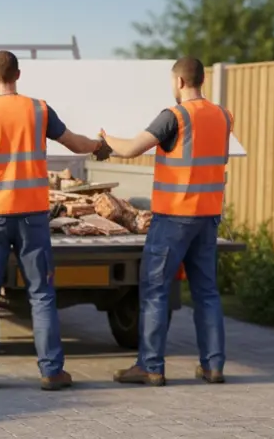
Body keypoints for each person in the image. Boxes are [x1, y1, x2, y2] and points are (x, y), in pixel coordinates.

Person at [0, 50, 108, 391]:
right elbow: (74, 142)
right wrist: (98, 145)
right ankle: (52, 372)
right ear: (18, 74)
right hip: (33, 216)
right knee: (42, 294)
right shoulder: (39, 110)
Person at [99, 57, 233, 387]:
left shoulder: (174, 116)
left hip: (174, 217)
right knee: (207, 293)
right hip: (208, 216)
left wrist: (106, 138)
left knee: (155, 290)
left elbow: (131, 149)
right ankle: (213, 366)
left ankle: (150, 366)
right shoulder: (222, 116)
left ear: (180, 83)